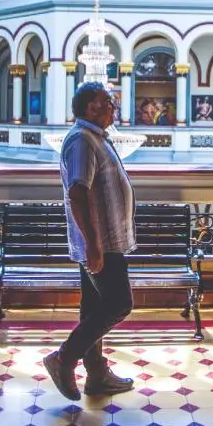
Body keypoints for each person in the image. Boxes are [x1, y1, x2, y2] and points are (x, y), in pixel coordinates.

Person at [44, 81, 136, 400]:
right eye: (108, 102)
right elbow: (78, 192)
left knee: (94, 305)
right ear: (91, 108)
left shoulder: (95, 137)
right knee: (118, 303)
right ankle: (63, 359)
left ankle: (96, 375)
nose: (113, 107)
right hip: (100, 243)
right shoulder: (82, 140)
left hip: (105, 240)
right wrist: (93, 244)